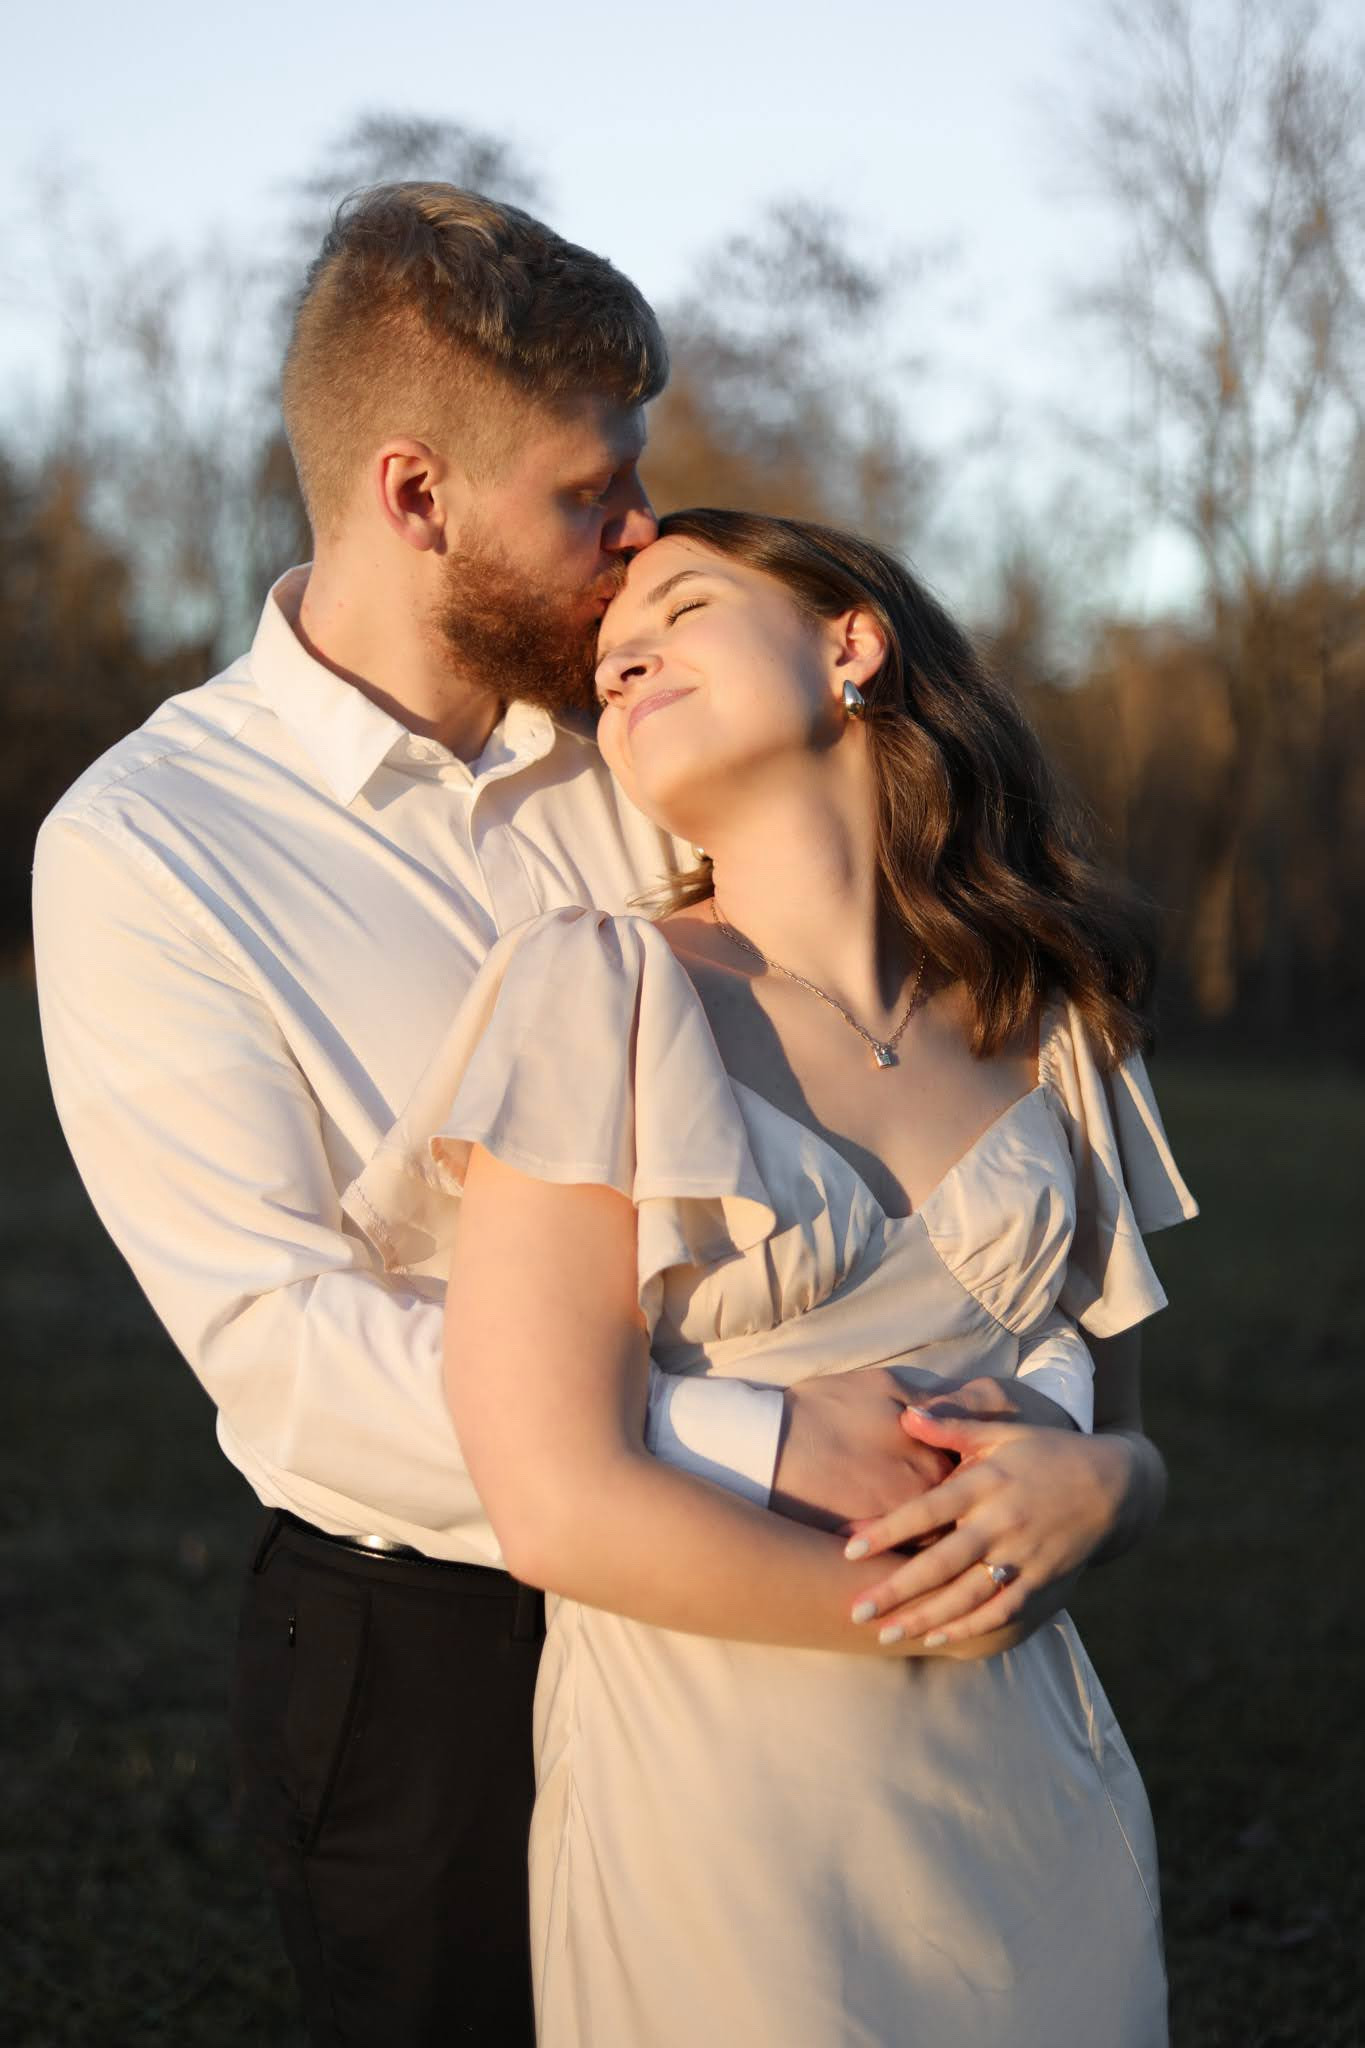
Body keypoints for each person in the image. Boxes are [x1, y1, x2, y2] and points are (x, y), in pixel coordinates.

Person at [31, 185, 1174, 2047]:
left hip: (884, 1655)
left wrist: (1083, 1466)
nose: (637, 532)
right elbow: (280, 1338)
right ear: (415, 494)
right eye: (591, 492)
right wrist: (748, 1439)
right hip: (432, 1644)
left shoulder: (637, 745)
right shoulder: (152, 846)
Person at [344, 508, 1198, 2046]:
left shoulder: (1056, 1018)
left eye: (677, 609)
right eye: (609, 663)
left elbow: (1121, 1440)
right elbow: (552, 1502)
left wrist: (1110, 1492)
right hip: (726, 1817)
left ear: (847, 642)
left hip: (1031, 1790)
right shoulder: (594, 988)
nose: (624, 663)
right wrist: (937, 1614)